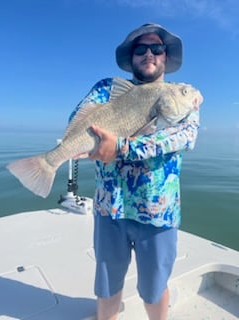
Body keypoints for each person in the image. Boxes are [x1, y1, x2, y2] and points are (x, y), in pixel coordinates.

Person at [70, 23, 201, 320]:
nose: (149, 54)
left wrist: (121, 146)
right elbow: (78, 124)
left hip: (158, 212)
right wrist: (88, 145)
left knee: (155, 287)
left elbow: (183, 137)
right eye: (140, 49)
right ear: (131, 58)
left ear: (166, 56)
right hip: (109, 207)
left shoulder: (183, 95)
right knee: (106, 285)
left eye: (157, 48)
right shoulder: (106, 89)